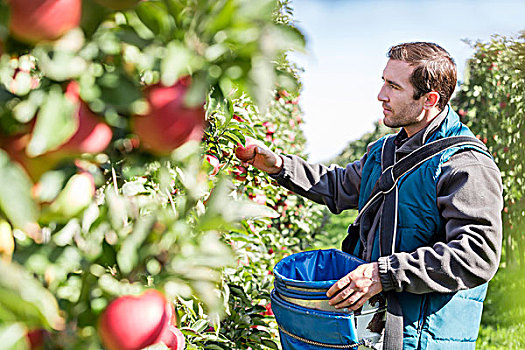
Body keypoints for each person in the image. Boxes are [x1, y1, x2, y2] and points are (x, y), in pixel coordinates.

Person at [235, 42, 503, 349]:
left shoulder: (464, 164)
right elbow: (338, 186)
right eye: (383, 81)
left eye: (393, 86)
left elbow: (476, 255)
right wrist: (279, 165)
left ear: (429, 99)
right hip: (374, 329)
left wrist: (382, 273)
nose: (381, 95)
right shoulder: (384, 153)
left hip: (423, 338)